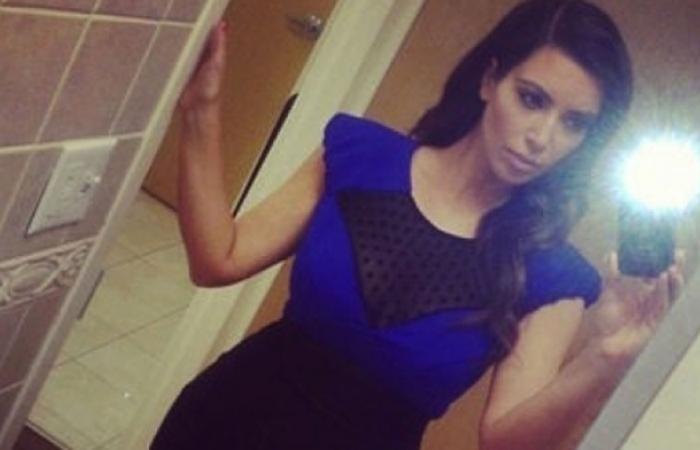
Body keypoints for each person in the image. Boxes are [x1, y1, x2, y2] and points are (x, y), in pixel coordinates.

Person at [151, 1, 684, 449]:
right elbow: (218, 259)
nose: (542, 138)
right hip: (223, 422)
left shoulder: (552, 274)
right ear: (490, 80)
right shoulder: (360, 154)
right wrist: (202, 109)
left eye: (574, 123)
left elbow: (504, 443)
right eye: (531, 99)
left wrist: (607, 357)